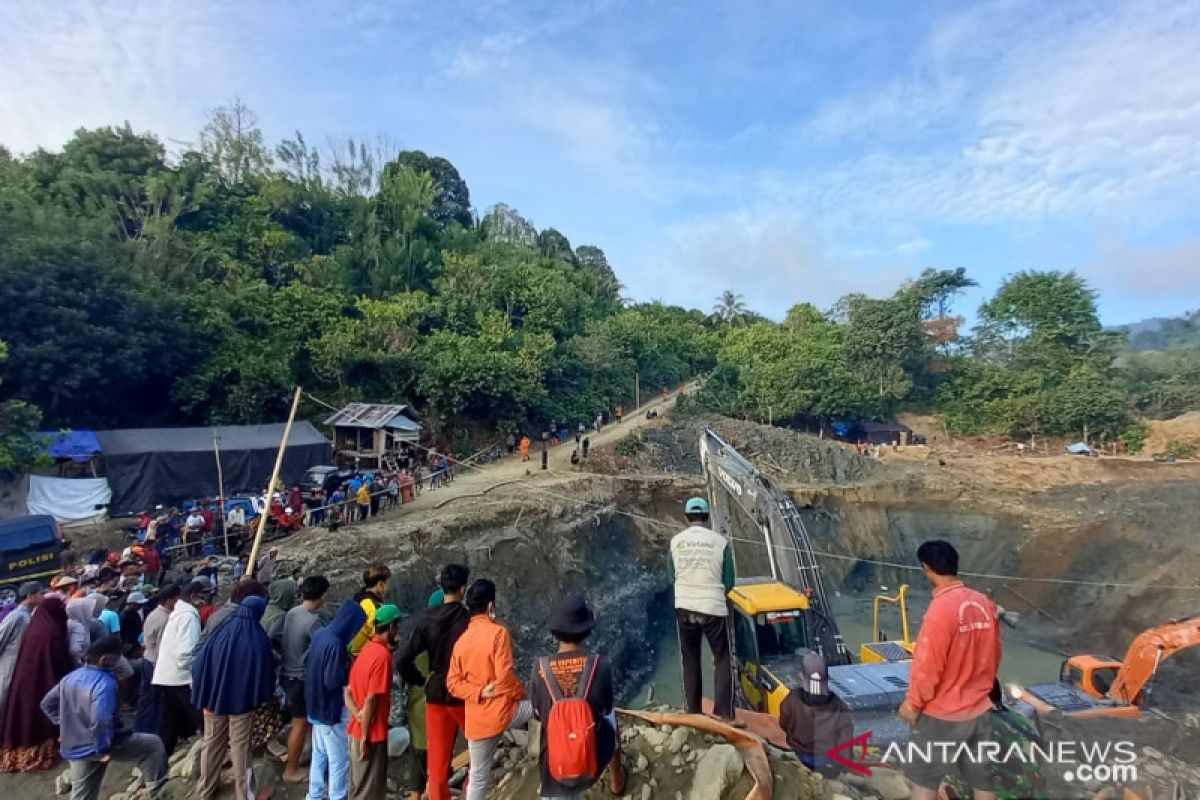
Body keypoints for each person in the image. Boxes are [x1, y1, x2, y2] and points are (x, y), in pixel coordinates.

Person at [898, 540, 1002, 800]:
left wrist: (912, 704)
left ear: (927, 568)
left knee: (924, 782)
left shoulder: (940, 610)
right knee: (983, 784)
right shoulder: (983, 604)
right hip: (980, 710)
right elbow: (995, 654)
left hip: (942, 716)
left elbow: (927, 666)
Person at [41, 635, 167, 800]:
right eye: (117, 657)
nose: (119, 661)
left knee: (82, 794)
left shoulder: (71, 677)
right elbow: (101, 720)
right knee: (153, 745)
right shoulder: (104, 683)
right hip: (99, 745)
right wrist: (103, 749)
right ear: (105, 659)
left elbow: (47, 704)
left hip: (74, 745)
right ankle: (157, 790)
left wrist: (65, 724)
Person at [531, 594, 624, 800]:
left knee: (546, 730)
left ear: (555, 632)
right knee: (612, 717)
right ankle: (616, 781)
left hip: (557, 764)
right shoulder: (600, 665)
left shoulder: (540, 667)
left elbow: (538, 714)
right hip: (594, 757)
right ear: (587, 630)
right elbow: (606, 709)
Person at [447, 579, 532, 800]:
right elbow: (505, 678)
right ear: (490, 605)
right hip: (502, 714)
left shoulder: (461, 642)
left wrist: (478, 692)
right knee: (542, 705)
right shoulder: (498, 633)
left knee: (478, 776)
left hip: (477, 721)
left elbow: (452, 683)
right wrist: (521, 693)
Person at [398, 564, 471, 800]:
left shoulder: (426, 621)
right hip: (463, 694)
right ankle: (471, 792)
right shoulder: (468, 620)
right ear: (463, 589)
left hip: (436, 693)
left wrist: (420, 680)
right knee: (479, 750)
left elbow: (402, 659)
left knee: (437, 763)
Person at [192, 596, 276, 800]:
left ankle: (205, 789)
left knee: (211, 743)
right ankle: (245, 795)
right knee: (240, 748)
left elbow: (200, 661)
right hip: (241, 703)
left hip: (212, 700)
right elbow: (265, 673)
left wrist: (203, 692)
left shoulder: (222, 630)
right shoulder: (257, 637)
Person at [668, 496, 737, 724]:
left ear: (686, 517)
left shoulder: (676, 542)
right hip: (713, 608)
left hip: (685, 606)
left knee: (690, 658)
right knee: (722, 659)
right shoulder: (721, 543)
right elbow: (729, 582)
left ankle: (694, 712)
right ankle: (724, 713)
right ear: (707, 517)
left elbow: (672, 575)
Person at [0, 595, 73, 772]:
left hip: (25, 680)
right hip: (41, 681)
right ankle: (34, 753)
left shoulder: (36, 626)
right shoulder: (50, 631)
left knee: (23, 716)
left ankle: (17, 751)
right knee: (37, 720)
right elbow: (58, 660)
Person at [306, 599, 367, 800]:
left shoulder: (320, 634)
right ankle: (337, 796)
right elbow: (333, 681)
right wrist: (349, 667)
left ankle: (314, 795)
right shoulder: (336, 644)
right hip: (330, 709)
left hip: (315, 706)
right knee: (338, 760)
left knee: (319, 755)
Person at [345, 604, 403, 800]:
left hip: (355, 729)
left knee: (357, 787)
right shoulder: (382, 657)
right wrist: (365, 738)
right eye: (397, 626)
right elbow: (371, 699)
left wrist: (358, 716)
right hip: (372, 733)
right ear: (392, 626)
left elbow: (348, 693)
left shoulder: (365, 651)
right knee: (370, 791)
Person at [280, 575, 329, 783]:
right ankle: (291, 770)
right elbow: (324, 647)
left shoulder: (293, 613)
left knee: (299, 722)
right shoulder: (313, 622)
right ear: (323, 596)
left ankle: (298, 757)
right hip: (300, 678)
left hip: (286, 674)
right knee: (300, 723)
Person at [778, 653, 854, 777]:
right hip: (828, 764)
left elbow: (783, 724)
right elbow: (846, 738)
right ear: (827, 677)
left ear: (801, 675)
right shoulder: (839, 705)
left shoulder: (791, 700)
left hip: (801, 757)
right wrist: (841, 767)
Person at [151, 580, 204, 755]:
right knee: (200, 715)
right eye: (201, 596)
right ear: (192, 597)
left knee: (168, 720)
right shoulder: (188, 617)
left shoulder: (177, 614)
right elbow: (186, 651)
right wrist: (192, 674)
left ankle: (162, 757)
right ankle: (216, 749)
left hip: (165, 674)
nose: (204, 600)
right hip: (179, 676)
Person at [136, 583, 180, 734]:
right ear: (170, 600)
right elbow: (163, 646)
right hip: (156, 663)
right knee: (157, 701)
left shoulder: (154, 614)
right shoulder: (166, 619)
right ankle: (154, 732)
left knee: (146, 700)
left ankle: (142, 730)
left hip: (148, 659)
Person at [0, 581, 44, 719]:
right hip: (9, 667)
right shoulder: (16, 616)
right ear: (30, 596)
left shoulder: (29, 615)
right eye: (40, 593)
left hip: (20, 667)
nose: (43, 597)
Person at [349, 563, 390, 655]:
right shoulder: (372, 607)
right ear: (380, 584)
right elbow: (377, 635)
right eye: (387, 583)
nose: (388, 586)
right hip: (360, 653)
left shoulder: (360, 596)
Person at [262, 576, 298, 646]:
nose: (295, 597)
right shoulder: (280, 616)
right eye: (293, 594)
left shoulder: (268, 607)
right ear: (285, 595)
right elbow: (273, 640)